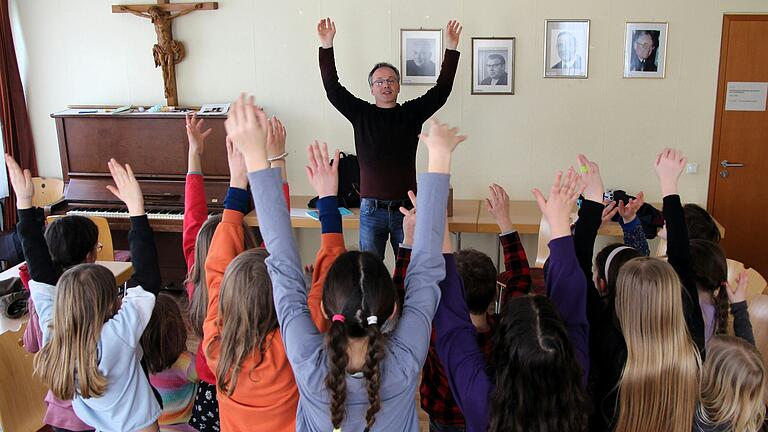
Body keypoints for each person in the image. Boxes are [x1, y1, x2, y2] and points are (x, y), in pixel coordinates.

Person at [227, 93, 465, 430]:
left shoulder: (308, 365)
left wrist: (255, 158)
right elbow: (426, 273)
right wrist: (440, 160)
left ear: (325, 311)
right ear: (393, 310)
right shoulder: (404, 362)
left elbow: (281, 266)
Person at [433, 167, 590, 432]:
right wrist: (558, 226)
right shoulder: (576, 375)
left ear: (503, 346)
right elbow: (572, 312)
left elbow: (451, 323)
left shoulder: (483, 400)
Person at [14, 156, 163, 432]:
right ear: (111, 302)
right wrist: (137, 209)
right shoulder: (117, 336)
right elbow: (148, 281)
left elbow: (41, 274)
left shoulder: (53, 333)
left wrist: (24, 205)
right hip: (138, 427)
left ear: (62, 300)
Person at [317, 17, 462, 260]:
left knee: (410, 272)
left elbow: (442, 90)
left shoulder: (411, 114)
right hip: (370, 210)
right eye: (380, 81)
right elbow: (333, 89)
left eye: (391, 81)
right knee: (370, 275)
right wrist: (326, 46)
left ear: (398, 87)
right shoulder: (361, 114)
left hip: (407, 209)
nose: (386, 85)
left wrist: (451, 49)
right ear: (372, 88)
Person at [392, 184, 532, 432]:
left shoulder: (434, 331)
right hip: (491, 416)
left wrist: (409, 241)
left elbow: (402, 300)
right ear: (493, 293)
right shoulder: (509, 329)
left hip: (444, 417)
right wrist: (504, 221)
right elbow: (520, 277)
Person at [141, 293, 198, 431]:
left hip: (150, 427)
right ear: (176, 329)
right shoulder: (184, 362)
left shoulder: (137, 364)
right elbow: (209, 372)